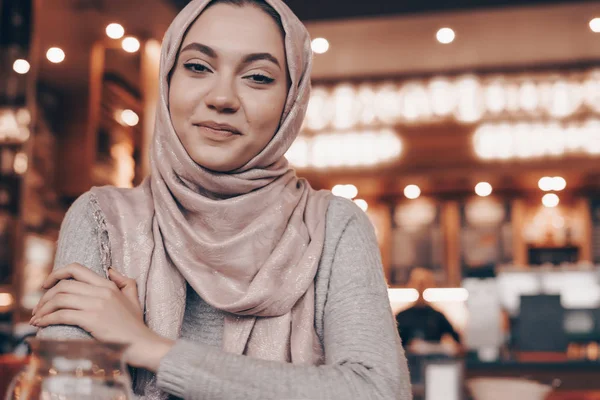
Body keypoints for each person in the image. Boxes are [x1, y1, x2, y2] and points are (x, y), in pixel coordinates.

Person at [29, 0, 412, 399]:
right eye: (198, 67)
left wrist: (149, 348)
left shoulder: (334, 225)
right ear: (168, 79)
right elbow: (66, 392)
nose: (222, 97)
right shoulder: (102, 219)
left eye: (259, 77)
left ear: (292, 99)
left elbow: (379, 391)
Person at [395, 268, 461, 356]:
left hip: (433, 364)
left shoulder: (437, 316)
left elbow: (457, 340)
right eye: (418, 284)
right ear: (411, 285)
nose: (421, 287)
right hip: (407, 364)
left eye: (424, 284)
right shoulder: (402, 316)